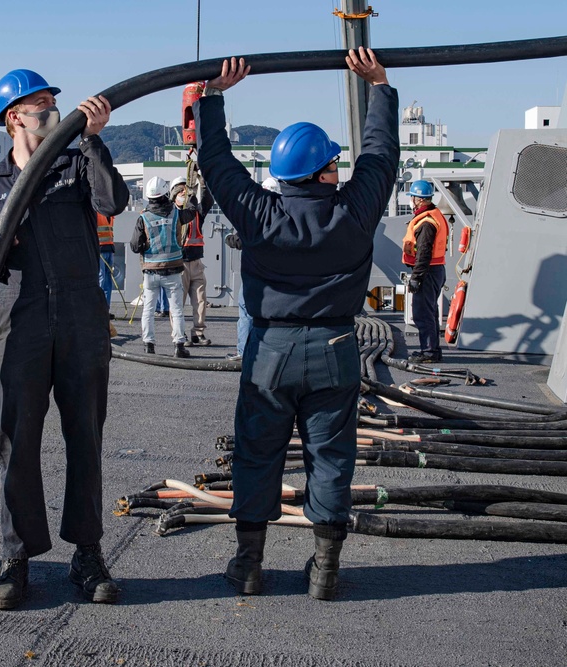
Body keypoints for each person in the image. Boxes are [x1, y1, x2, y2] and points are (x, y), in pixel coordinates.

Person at [194, 48, 399, 601]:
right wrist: (378, 87)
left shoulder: (259, 211)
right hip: (335, 346)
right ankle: (325, 570)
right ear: (326, 171)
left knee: (257, 454)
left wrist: (212, 99)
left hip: (270, 349)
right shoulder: (353, 212)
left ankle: (249, 567)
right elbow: (381, 156)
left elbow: (216, 164)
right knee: (331, 458)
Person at [0, 68, 129, 610]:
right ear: (13, 117)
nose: (49, 111)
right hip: (21, 320)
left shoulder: (76, 163)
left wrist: (95, 140)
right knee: (16, 442)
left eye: (51, 103)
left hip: (82, 317)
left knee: (85, 435)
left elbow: (112, 203)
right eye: (39, 105)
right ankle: (17, 559)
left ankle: (87, 553)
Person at [130, 176, 190, 358]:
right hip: (173, 270)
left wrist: (146, 248)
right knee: (177, 309)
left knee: (148, 309)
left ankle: (149, 344)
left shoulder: (144, 217)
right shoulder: (176, 214)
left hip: (150, 271)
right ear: (166, 193)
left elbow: (134, 246)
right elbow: (195, 211)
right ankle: (179, 345)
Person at [224, 177, 278, 360]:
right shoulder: (284, 215)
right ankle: (270, 352)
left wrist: (229, 238)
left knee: (246, 312)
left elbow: (238, 241)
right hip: (277, 276)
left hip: (253, 274)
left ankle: (244, 351)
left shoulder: (253, 216)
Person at [402, 180, 449, 363]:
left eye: (413, 197)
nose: (412, 201)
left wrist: (416, 277)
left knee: (423, 313)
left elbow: (423, 253)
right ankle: (432, 350)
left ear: (419, 200)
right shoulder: (433, 215)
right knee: (430, 312)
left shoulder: (426, 222)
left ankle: (429, 353)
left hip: (427, 272)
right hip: (435, 270)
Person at [172, 174, 215, 346]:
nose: (185, 193)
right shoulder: (171, 213)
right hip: (179, 262)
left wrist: (203, 180)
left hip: (196, 261)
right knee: (177, 301)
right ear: (174, 195)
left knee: (200, 300)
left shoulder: (197, 212)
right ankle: (179, 333)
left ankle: (198, 332)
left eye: (187, 190)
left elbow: (207, 199)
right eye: (181, 190)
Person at [96, 212, 116, 313]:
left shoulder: (110, 214)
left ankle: (105, 309)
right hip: (100, 250)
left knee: (107, 280)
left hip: (109, 249)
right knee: (101, 278)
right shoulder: (97, 213)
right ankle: (99, 310)